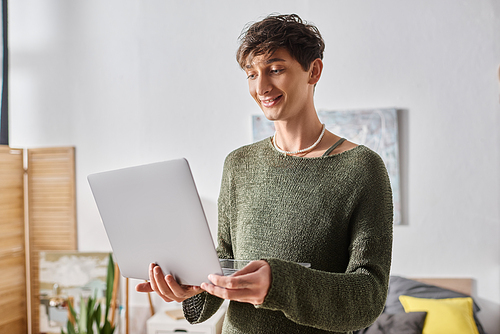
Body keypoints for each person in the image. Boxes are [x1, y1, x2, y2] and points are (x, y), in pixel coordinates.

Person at [136, 13, 393, 334]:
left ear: (313, 71)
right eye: (251, 74)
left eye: (275, 69)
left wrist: (280, 284)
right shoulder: (238, 163)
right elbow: (226, 257)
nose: (261, 87)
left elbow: (367, 296)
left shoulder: (362, 168)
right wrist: (192, 285)